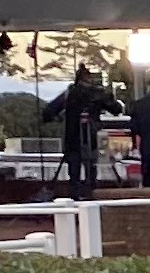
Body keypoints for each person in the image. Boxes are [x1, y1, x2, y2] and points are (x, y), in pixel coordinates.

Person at [44, 62, 119, 197]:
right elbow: (116, 109)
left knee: (74, 173)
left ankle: (75, 198)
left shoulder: (68, 94)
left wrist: (59, 119)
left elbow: (48, 112)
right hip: (93, 138)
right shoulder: (98, 93)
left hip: (72, 138)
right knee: (91, 167)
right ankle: (91, 195)